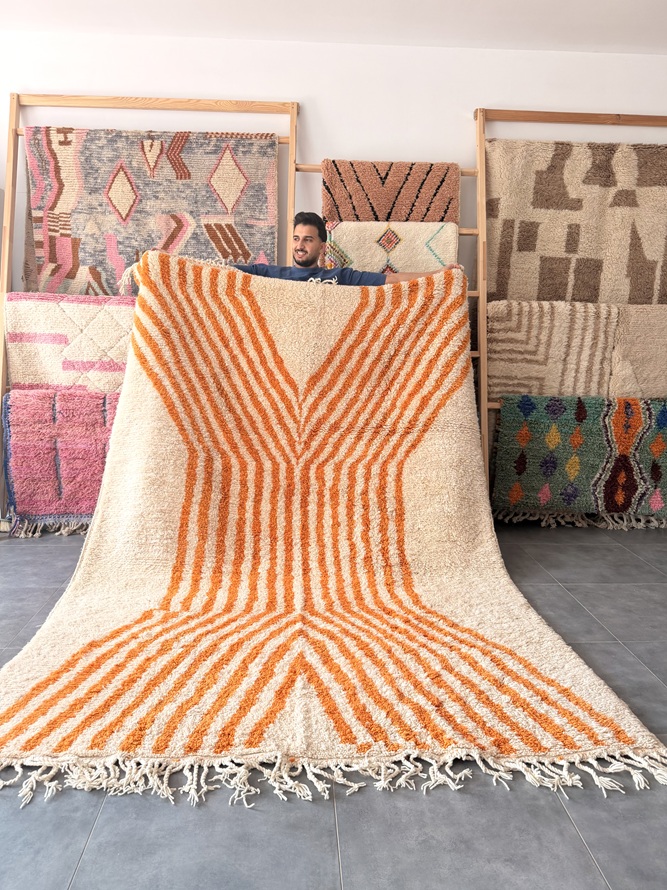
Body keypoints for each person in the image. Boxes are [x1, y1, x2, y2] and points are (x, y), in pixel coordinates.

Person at [233, 212, 462, 285]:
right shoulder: (272, 275)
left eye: (308, 240)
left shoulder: (340, 276)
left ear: (322, 247)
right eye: (296, 238)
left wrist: (438, 273)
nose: (299, 246)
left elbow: (391, 279)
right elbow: (225, 272)